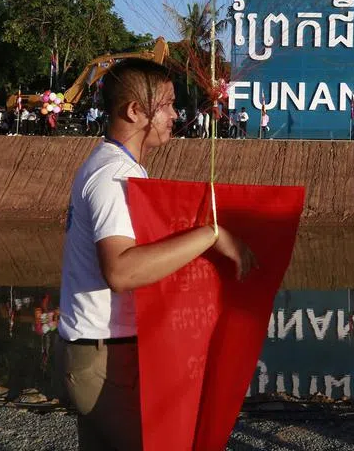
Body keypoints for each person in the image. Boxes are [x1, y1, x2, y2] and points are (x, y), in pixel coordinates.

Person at [55, 59, 257, 450]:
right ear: (134, 111)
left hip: (99, 350)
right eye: (166, 104)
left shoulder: (116, 166)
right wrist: (210, 235)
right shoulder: (116, 176)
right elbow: (122, 271)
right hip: (103, 356)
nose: (175, 114)